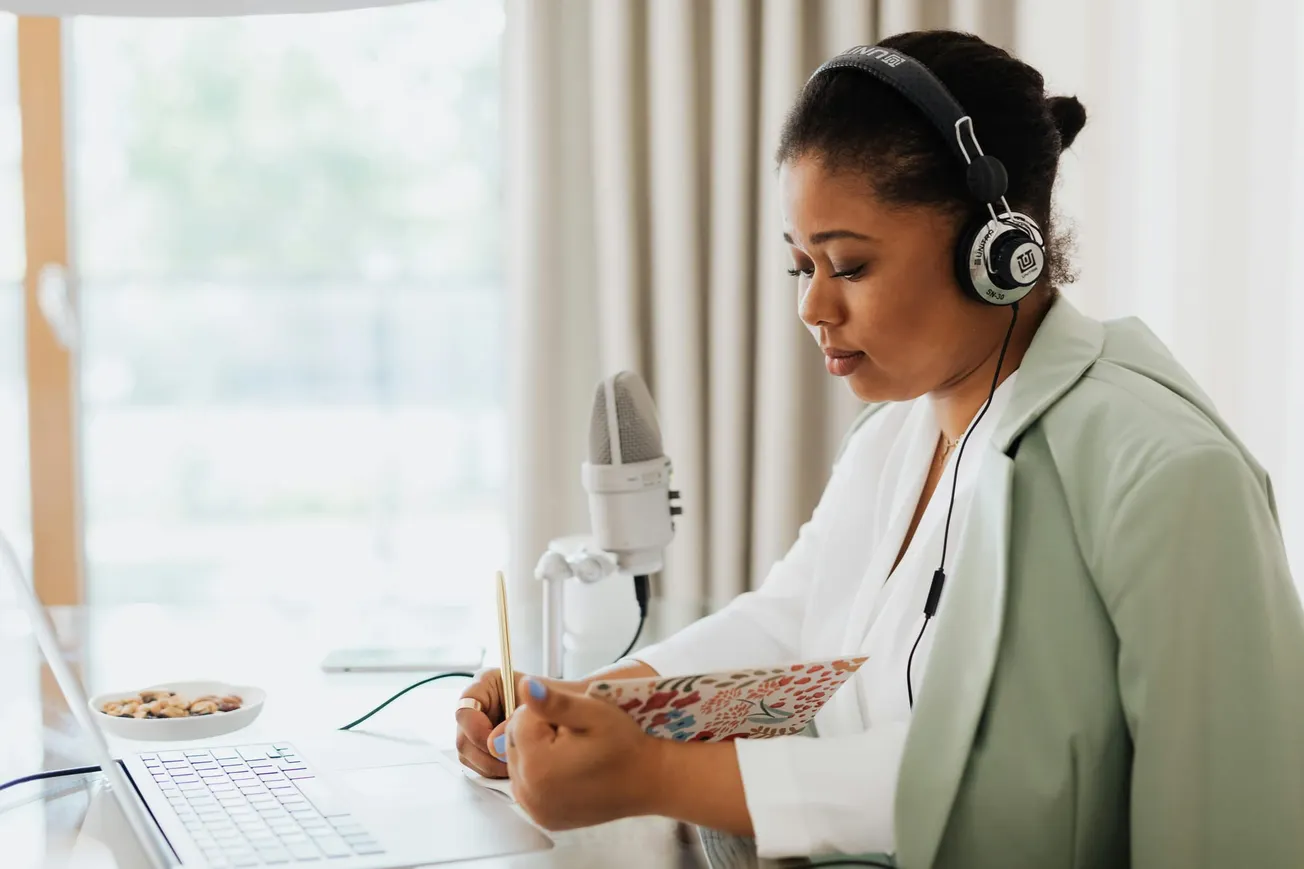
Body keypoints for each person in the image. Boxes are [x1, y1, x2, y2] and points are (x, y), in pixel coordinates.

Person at [455, 29, 1304, 868]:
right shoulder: (897, 429)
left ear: (997, 255)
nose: (812, 308)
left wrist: (655, 773)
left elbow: (994, 781)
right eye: (800, 267)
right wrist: (585, 703)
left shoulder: (1165, 477)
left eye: (849, 267)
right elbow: (789, 626)